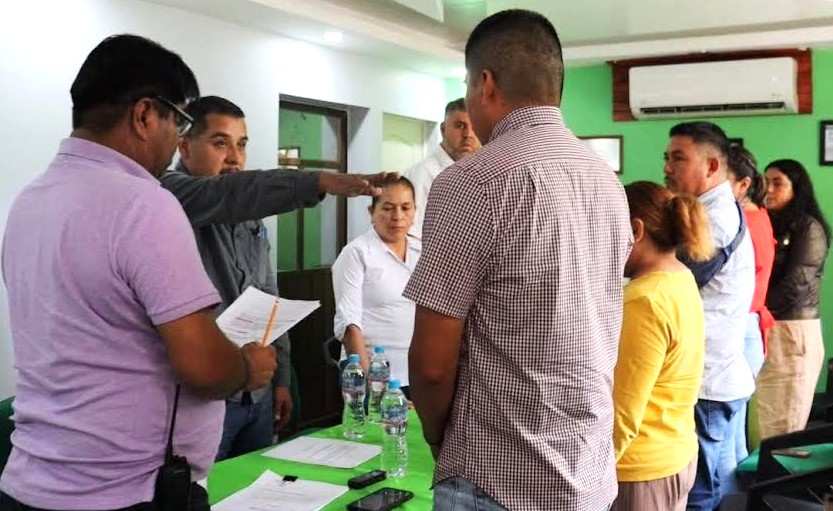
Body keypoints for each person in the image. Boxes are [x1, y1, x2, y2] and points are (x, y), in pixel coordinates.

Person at [0, 35, 278, 510]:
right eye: (181, 121)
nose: (177, 141)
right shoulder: (145, 203)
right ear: (146, 114)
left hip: (32, 483)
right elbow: (205, 368)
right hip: (130, 491)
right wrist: (249, 368)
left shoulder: (29, 201)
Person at [404, 10, 632, 511]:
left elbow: (433, 366)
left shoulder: (473, 182)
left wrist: (441, 438)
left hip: (499, 477)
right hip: (588, 468)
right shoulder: (606, 182)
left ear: (485, 84)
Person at [161, 96, 398, 461]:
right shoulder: (170, 194)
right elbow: (225, 195)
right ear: (184, 146)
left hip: (257, 391)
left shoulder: (250, 217)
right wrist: (317, 181)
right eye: (220, 143)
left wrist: (282, 379)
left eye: (241, 145)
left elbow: (270, 300)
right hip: (205, 396)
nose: (234, 158)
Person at [663, 121, 755, 511]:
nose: (668, 167)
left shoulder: (712, 222)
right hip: (718, 376)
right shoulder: (711, 209)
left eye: (679, 158)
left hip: (708, 385)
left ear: (713, 166)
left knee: (704, 494)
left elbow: (665, 281)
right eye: (667, 158)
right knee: (721, 485)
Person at [612, 181, 712, 511]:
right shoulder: (681, 278)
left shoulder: (644, 299)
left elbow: (623, 411)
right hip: (676, 452)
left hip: (639, 468)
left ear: (635, 230)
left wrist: (590, 473)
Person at [756, 159, 830, 439]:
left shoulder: (808, 228)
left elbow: (795, 285)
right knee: (766, 421)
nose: (769, 189)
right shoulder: (770, 224)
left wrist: (753, 309)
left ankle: (779, 483)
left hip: (791, 331)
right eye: (766, 182)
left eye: (778, 183)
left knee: (781, 429)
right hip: (772, 326)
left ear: (796, 189)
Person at [332, 177, 420, 395]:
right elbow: (349, 325)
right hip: (374, 372)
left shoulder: (424, 250)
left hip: (420, 373)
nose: (398, 216)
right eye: (388, 208)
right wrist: (375, 388)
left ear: (415, 211)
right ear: (371, 212)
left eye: (405, 208)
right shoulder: (357, 253)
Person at [724, 146, 775, 466]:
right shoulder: (757, 215)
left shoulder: (743, 220)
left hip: (741, 324)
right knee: (733, 429)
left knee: (727, 432)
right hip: (750, 324)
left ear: (742, 184)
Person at [406, 98, 479, 238]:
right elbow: (412, 236)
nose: (468, 134)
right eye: (460, 125)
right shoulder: (421, 175)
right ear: (443, 129)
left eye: (474, 127)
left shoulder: (478, 175)